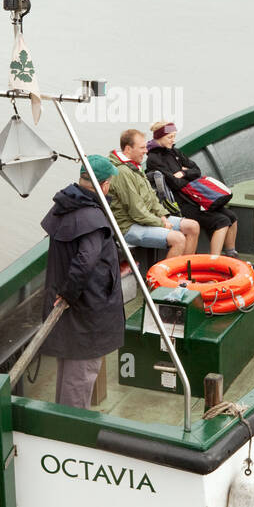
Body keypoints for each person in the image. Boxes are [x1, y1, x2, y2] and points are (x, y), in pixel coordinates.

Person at [40, 154, 125, 408]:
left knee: (68, 365)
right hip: (86, 310)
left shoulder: (63, 206)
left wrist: (64, 294)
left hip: (65, 303)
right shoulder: (92, 217)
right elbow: (86, 260)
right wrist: (69, 294)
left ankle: (62, 419)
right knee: (82, 373)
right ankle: (72, 430)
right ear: (104, 185)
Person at [145, 121, 240, 257]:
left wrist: (183, 173)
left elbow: (196, 170)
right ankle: (214, 262)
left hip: (193, 197)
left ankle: (231, 254)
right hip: (180, 204)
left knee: (232, 217)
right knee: (222, 221)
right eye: (170, 137)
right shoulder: (154, 159)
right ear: (159, 137)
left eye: (174, 136)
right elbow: (175, 184)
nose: (173, 140)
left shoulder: (174, 152)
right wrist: (184, 173)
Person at [108, 128, 199, 258]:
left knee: (193, 227)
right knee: (178, 239)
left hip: (146, 219)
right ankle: (164, 278)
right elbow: (136, 211)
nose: (146, 151)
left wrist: (162, 215)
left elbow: (152, 197)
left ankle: (184, 272)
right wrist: (162, 223)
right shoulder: (122, 172)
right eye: (142, 148)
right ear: (128, 149)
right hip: (129, 226)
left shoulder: (135, 166)